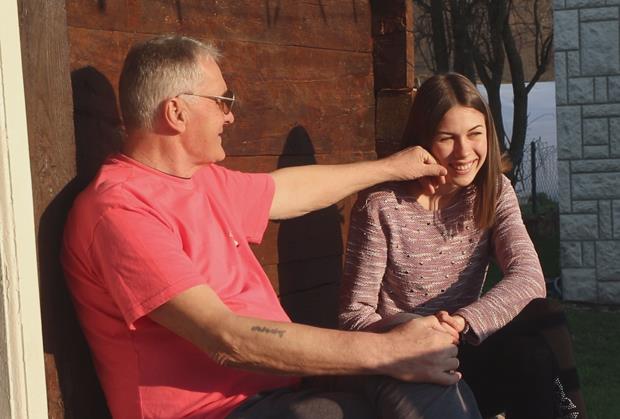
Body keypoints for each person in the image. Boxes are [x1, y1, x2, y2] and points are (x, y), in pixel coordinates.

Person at [62, 36, 483, 419]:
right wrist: (389, 353)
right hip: (216, 411)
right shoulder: (119, 211)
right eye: (222, 100)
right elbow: (226, 339)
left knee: (419, 355)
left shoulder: (200, 180)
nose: (230, 115)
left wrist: (390, 167)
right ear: (176, 112)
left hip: (279, 392)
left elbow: (288, 191)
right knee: (386, 374)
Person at [339, 73, 586, 419]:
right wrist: (415, 329)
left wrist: (461, 323)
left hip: (466, 345)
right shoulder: (381, 205)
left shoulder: (493, 191)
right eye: (447, 138)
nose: (464, 151)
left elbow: (529, 277)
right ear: (423, 139)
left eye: (474, 134)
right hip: (408, 359)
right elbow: (354, 315)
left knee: (544, 322)